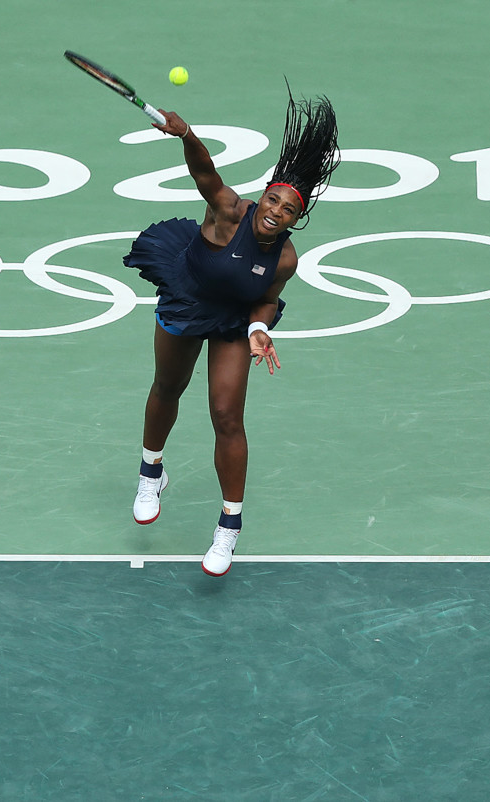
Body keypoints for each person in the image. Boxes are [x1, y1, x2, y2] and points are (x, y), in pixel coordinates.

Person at [123, 87, 340, 576]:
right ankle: (150, 472)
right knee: (167, 387)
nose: (276, 212)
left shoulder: (285, 258)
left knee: (226, 414)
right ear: (262, 195)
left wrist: (260, 327)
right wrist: (187, 134)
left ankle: (228, 527)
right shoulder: (227, 210)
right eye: (273, 200)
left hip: (233, 320)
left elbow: (266, 296)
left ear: (297, 219)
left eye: (288, 210)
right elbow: (205, 172)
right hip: (188, 294)